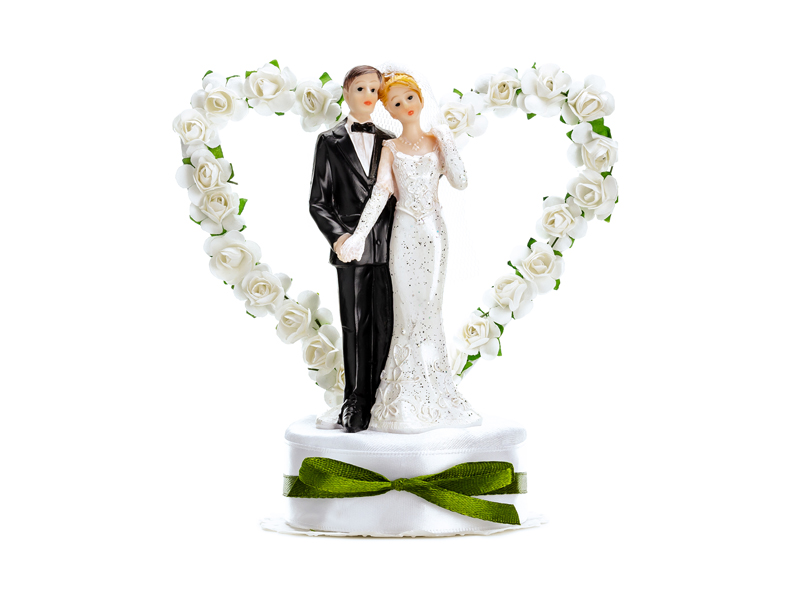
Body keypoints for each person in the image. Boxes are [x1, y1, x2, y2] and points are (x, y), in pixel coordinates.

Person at [338, 72, 482, 433]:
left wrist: (447, 141)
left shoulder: (436, 140)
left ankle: (438, 395)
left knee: (430, 312)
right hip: (402, 235)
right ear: (389, 110)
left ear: (420, 98)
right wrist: (358, 236)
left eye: (409, 98)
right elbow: (380, 195)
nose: (405, 106)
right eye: (396, 103)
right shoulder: (391, 148)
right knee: (406, 313)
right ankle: (403, 400)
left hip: (433, 234)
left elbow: (461, 181)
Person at [308, 66, 396, 433]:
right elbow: (318, 202)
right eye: (360, 88)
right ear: (346, 92)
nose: (368, 96)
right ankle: (355, 401)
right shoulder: (329, 142)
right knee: (355, 325)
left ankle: (383, 399)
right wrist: (339, 238)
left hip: (391, 249)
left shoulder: (391, 141)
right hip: (352, 252)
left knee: (387, 324)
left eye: (374, 89)